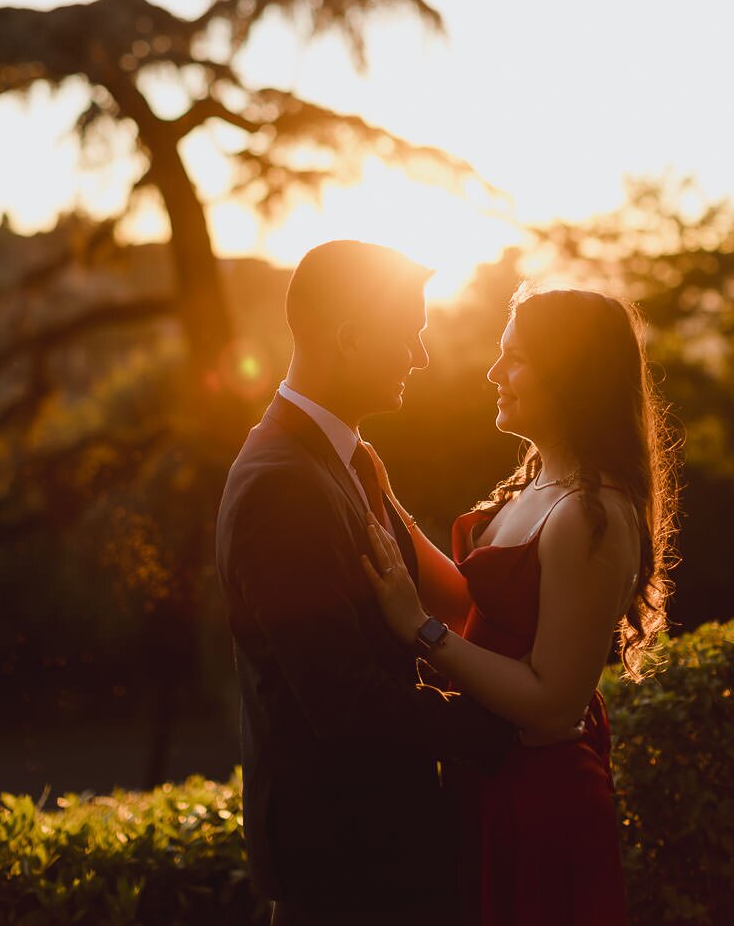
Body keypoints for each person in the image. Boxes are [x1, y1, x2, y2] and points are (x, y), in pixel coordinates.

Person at [216, 240, 515, 926]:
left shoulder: (353, 458)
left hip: (391, 850)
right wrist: (498, 726)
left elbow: (458, 595)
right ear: (349, 339)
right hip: (343, 872)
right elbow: (344, 704)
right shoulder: (280, 486)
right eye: (408, 335)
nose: (421, 356)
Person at [363, 285, 678, 926]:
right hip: (490, 779)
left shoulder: (591, 515)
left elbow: (553, 701)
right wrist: (373, 484)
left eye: (515, 357)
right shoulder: (540, 482)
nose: (492, 372)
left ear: (570, 374)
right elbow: (475, 606)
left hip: (542, 799)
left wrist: (418, 631)